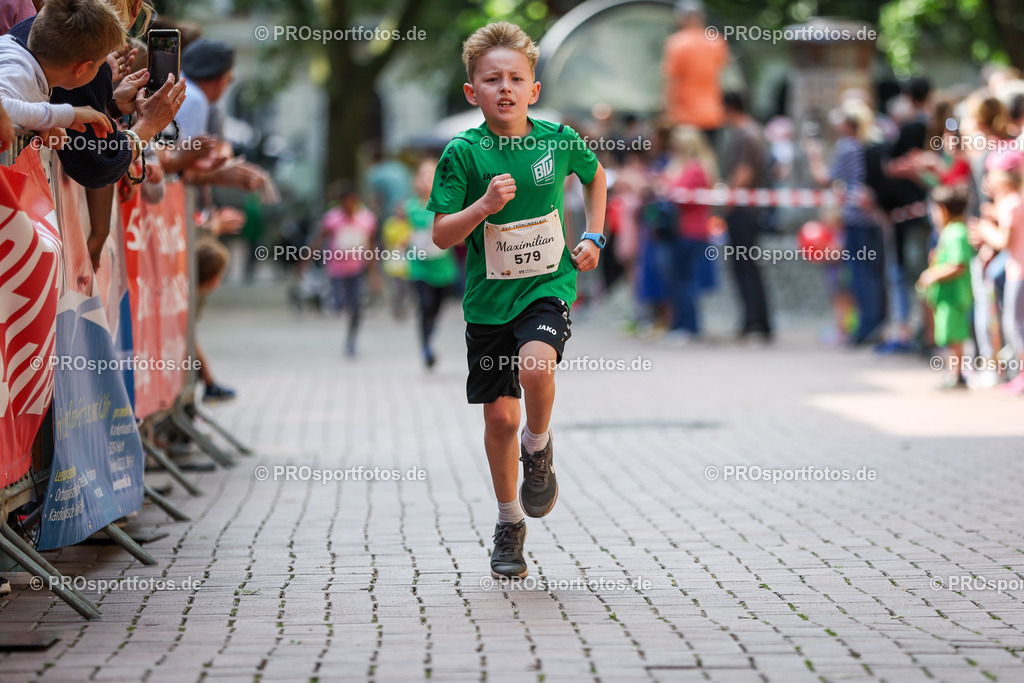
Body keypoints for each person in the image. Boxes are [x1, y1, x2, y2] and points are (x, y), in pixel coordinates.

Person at [428, 22, 606, 579]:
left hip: (546, 286)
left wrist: (594, 237)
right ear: (471, 92)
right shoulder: (464, 153)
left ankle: (540, 446)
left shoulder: (557, 138)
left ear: (533, 89)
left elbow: (597, 178)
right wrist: (482, 207)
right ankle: (509, 522)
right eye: (491, 79)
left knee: (536, 366)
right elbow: (440, 235)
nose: (504, 88)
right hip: (487, 302)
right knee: (498, 420)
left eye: (515, 78)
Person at [0, 0, 121, 145]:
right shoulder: (18, 69)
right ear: (81, 69)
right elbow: (3, 108)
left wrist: (41, 123)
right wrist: (68, 115)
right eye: (101, 64)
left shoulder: (25, 64)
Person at [970, 149, 1024, 394]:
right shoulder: (1013, 203)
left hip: (1019, 273)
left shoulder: (1012, 204)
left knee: (1016, 325)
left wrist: (984, 229)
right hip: (1015, 272)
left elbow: (1004, 241)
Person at [719, 91, 772, 341]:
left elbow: (744, 172)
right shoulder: (754, 132)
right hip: (750, 210)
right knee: (748, 266)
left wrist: (729, 199)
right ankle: (755, 321)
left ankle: (755, 323)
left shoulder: (745, 135)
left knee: (745, 267)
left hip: (743, 211)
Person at [660, 125, 715, 340]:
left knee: (685, 281)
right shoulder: (682, 166)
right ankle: (680, 324)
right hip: (678, 232)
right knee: (677, 280)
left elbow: (676, 194)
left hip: (689, 232)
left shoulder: (694, 169)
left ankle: (688, 327)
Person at [918, 185, 974, 389]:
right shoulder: (948, 232)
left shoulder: (957, 232)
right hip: (945, 296)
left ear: (942, 209)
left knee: (955, 336)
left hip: (954, 296)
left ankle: (957, 373)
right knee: (949, 336)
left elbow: (958, 264)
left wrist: (932, 274)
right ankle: (953, 371)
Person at [406, 156, 458, 369]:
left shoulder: (447, 205)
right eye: (423, 176)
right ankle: (426, 346)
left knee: (435, 309)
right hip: (418, 268)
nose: (427, 181)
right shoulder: (407, 208)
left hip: (443, 269)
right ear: (416, 181)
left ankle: (429, 334)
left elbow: (459, 235)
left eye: (432, 176)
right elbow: (395, 233)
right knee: (425, 305)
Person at [314, 182, 377, 357]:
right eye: (345, 202)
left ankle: (351, 341)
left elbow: (371, 246)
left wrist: (373, 273)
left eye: (352, 202)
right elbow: (319, 239)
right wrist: (305, 260)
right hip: (336, 270)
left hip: (356, 270)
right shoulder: (332, 219)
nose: (349, 206)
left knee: (356, 307)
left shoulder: (367, 219)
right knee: (339, 303)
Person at [661, 0, 728, 141]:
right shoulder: (717, 41)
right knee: (708, 160)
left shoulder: (677, 43)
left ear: (682, 18)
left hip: (685, 117)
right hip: (712, 115)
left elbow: (671, 82)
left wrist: (666, 114)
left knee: (687, 161)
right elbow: (722, 75)